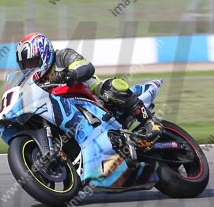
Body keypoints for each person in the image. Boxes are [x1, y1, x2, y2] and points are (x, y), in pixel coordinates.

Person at [16, 31, 162, 146]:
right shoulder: (36, 83)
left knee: (109, 88)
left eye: (33, 62)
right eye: (26, 65)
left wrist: (72, 73)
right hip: (67, 113)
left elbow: (86, 67)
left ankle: (150, 121)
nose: (31, 68)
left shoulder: (62, 56)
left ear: (44, 53)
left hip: (92, 96)